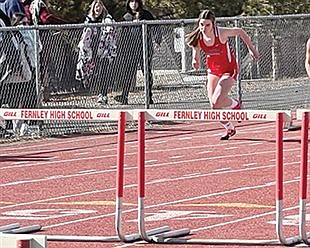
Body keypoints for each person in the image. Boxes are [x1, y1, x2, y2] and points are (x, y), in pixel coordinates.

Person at [186, 9, 260, 140]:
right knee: (214, 106)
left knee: (217, 100)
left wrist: (251, 48)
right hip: (213, 70)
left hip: (229, 69)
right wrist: (195, 62)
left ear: (213, 24)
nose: (203, 28)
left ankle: (235, 103)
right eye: (201, 25)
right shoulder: (198, 37)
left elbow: (240, 31)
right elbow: (195, 56)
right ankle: (229, 127)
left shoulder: (221, 33)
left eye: (207, 25)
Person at [114, 0, 161, 105]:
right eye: (131, 2)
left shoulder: (146, 15)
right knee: (128, 73)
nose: (133, 4)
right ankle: (124, 96)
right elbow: (121, 35)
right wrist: (121, 48)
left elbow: (156, 27)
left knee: (147, 72)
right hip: (130, 50)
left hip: (145, 48)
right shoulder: (126, 17)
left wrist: (157, 40)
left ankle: (149, 97)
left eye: (135, 1)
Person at [76, 0, 117, 105]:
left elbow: (112, 32)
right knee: (92, 72)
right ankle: (90, 88)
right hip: (91, 51)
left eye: (99, 7)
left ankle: (103, 95)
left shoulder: (107, 20)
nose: (98, 9)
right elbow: (84, 35)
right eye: (96, 7)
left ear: (103, 8)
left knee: (103, 72)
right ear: (93, 8)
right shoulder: (89, 20)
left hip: (104, 51)